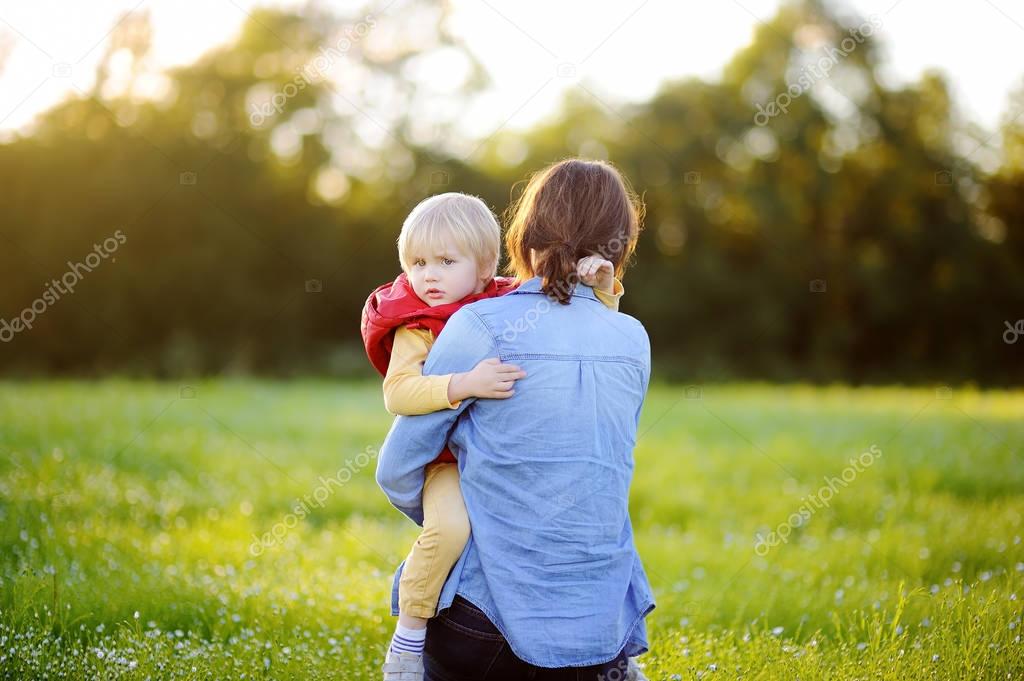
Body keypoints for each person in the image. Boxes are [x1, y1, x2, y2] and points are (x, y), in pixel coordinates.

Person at [375, 160, 654, 681]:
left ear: (525, 233)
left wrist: (459, 520)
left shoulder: (477, 324)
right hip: (601, 634)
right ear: (620, 242)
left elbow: (395, 469)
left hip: (486, 627)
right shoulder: (632, 338)